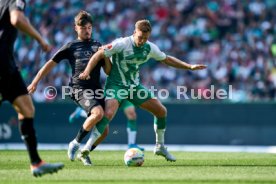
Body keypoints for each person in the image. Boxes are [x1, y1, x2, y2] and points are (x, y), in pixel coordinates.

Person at [79, 19, 207, 162]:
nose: (142, 41)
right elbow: (99, 54)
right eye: (140, 37)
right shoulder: (121, 44)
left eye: (145, 38)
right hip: (116, 85)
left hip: (134, 87)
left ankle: (160, 147)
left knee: (161, 111)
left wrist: (189, 67)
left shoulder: (150, 48)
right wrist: (86, 71)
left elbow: (167, 59)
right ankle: (86, 148)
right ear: (134, 33)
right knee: (108, 113)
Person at [28, 10, 110, 166]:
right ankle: (75, 143)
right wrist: (35, 82)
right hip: (78, 88)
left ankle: (84, 153)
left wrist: (105, 56)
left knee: (104, 130)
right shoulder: (71, 46)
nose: (87, 31)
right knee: (98, 113)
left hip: (96, 90)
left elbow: (107, 71)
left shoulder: (98, 46)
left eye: (89, 28)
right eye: (83, 28)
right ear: (76, 28)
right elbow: (49, 64)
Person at [0, 0, 64, 177]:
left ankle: (36, 162)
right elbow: (17, 19)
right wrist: (40, 39)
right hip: (2, 66)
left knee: (27, 109)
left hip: (9, 67)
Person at [69, 100, 144, 151]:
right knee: (100, 114)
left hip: (127, 91)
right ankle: (81, 112)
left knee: (132, 114)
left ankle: (131, 144)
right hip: (115, 89)